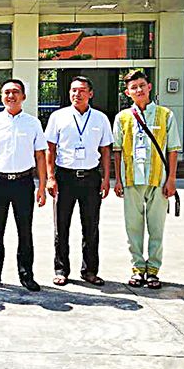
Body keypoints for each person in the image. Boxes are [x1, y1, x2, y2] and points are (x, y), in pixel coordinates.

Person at [113, 70, 181, 289]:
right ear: (127, 92)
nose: (139, 90)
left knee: (156, 227)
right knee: (132, 227)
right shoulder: (122, 117)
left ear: (149, 87)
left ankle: (153, 269)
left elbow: (173, 149)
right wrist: (118, 180)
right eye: (133, 87)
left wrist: (171, 179)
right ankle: (137, 268)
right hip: (131, 179)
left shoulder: (165, 115)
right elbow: (117, 150)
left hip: (158, 179)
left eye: (142, 85)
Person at [0, 79, 47, 292]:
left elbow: (40, 155)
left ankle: (26, 275)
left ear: (23, 96)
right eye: (6, 92)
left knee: (25, 231)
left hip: (23, 183)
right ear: (1, 97)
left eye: (15, 92)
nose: (11, 96)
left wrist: (42, 186)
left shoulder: (33, 123)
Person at [44, 76, 113, 287]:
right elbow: (50, 149)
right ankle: (61, 269)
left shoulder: (100, 118)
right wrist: (50, 177)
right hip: (65, 178)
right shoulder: (58, 117)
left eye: (82, 90)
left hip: (91, 178)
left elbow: (106, 150)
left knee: (91, 227)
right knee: (61, 226)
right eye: (73, 90)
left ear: (90, 93)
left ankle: (90, 271)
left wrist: (106, 178)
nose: (77, 94)